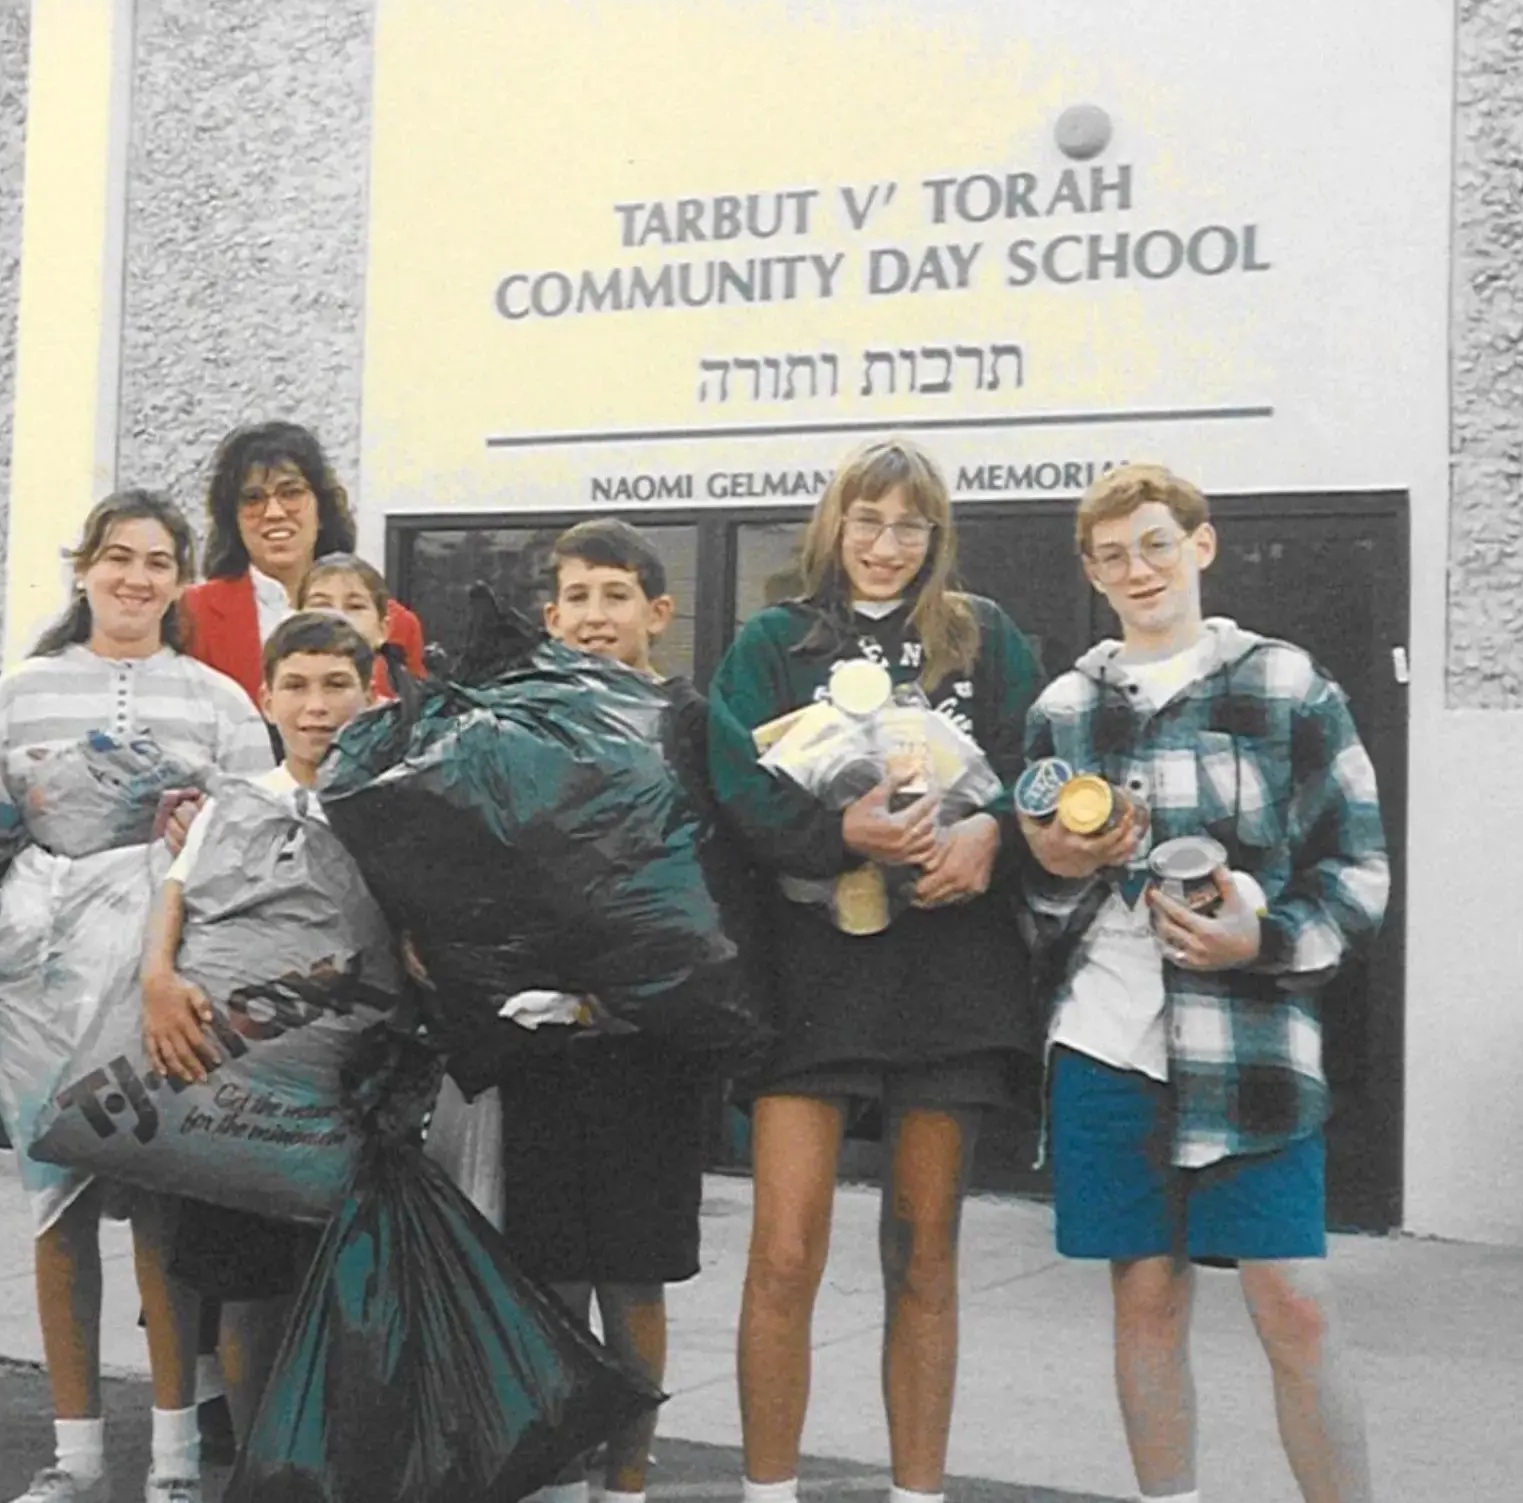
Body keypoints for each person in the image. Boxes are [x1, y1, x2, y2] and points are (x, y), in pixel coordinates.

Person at [1018, 463, 1388, 1503]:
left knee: (1294, 1303)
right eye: (1112, 555)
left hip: (1251, 1042)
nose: (1137, 569)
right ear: (1092, 573)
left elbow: (1359, 871)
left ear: (1200, 545)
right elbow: (1033, 906)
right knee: (1145, 1301)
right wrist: (1057, 870)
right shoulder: (1062, 709)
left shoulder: (1286, 684)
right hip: (1105, 1043)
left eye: (1155, 544)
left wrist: (1260, 939)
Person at [709, 439, 1042, 1503]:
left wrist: (991, 833)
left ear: (936, 535)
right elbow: (730, 788)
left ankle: (917, 1493)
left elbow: (1038, 769)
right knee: (785, 1251)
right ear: (833, 525)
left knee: (924, 1251)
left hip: (949, 977)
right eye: (867, 521)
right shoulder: (772, 641)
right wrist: (836, 833)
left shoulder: (985, 636)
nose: (886, 545)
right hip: (809, 978)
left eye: (908, 525)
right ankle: (768, 1493)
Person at [0, 489, 277, 1503]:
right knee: (55, 1214)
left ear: (178, 578)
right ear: (84, 567)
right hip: (43, 986)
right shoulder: (19, 692)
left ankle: (174, 1462)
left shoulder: (218, 699)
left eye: (157, 561)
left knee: (162, 1213)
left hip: (164, 987)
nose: (135, 578)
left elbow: (254, 847)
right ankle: (74, 1460)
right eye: (117, 556)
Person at [502, 519, 729, 1503]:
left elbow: (717, 873)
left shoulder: (691, 724)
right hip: (544, 1037)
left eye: (616, 595)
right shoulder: (517, 721)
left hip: (650, 1042)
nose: (596, 614)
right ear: (551, 618)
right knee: (550, 1272)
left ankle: (627, 1482)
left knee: (634, 1274)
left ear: (657, 612)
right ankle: (560, 1474)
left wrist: (645, 988)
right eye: (578, 597)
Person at [138, 609, 380, 1449]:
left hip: (358, 1087)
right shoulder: (236, 806)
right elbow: (175, 893)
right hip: (246, 1092)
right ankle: (260, 1463)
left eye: (337, 684)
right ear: (266, 698)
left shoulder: (389, 799)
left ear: (370, 692)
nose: (318, 705)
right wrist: (157, 978)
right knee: (248, 1292)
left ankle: (335, 1463)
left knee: (349, 1285)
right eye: (297, 686)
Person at [178, 421, 424, 702]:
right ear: (232, 519)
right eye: (253, 498)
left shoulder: (398, 626)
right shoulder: (191, 615)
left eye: (290, 493)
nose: (274, 512)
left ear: (322, 507)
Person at [300, 552, 405, 699]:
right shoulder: (278, 703)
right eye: (321, 605)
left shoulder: (412, 707)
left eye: (355, 606)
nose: (338, 616)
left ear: (383, 629)